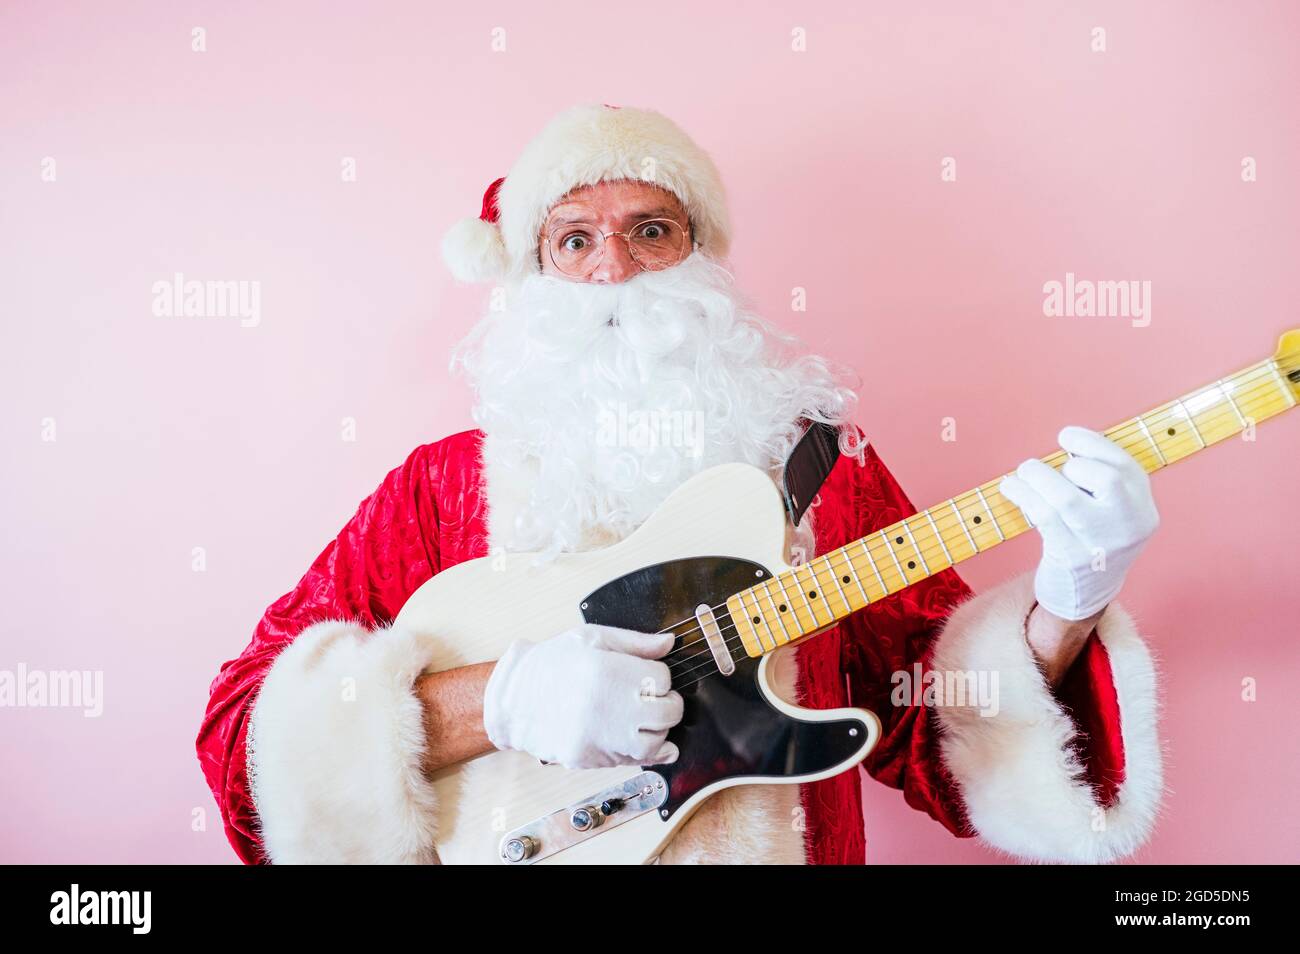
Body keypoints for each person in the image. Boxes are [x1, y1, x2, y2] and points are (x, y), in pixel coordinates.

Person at [197, 104, 1163, 864]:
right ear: (528, 277)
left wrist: (1063, 610)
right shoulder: (438, 490)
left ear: (703, 259)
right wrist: (496, 700)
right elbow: (244, 744)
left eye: (651, 230)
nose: (613, 269)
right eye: (572, 239)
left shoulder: (818, 471)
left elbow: (928, 723)